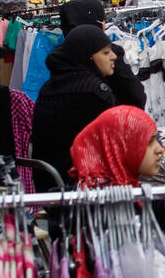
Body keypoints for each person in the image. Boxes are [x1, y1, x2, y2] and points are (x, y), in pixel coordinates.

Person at [31, 25, 145, 191]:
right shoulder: (96, 93)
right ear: (89, 57)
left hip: (50, 187)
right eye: (106, 52)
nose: (113, 56)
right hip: (87, 191)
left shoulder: (49, 88)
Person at [58, 0, 147, 108]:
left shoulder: (59, 55)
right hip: (112, 119)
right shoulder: (108, 52)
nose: (105, 25)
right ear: (93, 22)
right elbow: (136, 94)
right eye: (103, 20)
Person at [70, 106, 165, 187]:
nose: (160, 150)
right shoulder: (96, 201)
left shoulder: (129, 188)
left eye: (155, 140)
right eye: (149, 142)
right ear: (120, 148)